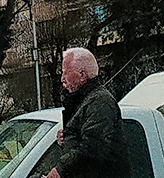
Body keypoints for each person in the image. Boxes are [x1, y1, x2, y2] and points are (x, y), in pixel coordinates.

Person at [44, 47, 127, 178]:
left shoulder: (100, 102)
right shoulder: (84, 101)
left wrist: (60, 170)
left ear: (82, 75)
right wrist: (68, 137)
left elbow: (92, 147)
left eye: (65, 73)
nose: (62, 79)